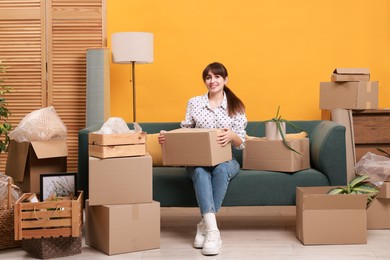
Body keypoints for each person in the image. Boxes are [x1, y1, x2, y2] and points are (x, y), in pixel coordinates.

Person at [158, 62, 247, 256]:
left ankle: (204, 225)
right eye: (208, 77)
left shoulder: (236, 106)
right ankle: (213, 231)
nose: (212, 81)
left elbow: (241, 144)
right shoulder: (194, 103)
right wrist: (168, 137)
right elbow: (185, 132)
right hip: (197, 161)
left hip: (226, 161)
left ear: (225, 80)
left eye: (217, 77)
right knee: (199, 171)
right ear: (204, 81)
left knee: (222, 170)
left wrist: (232, 136)